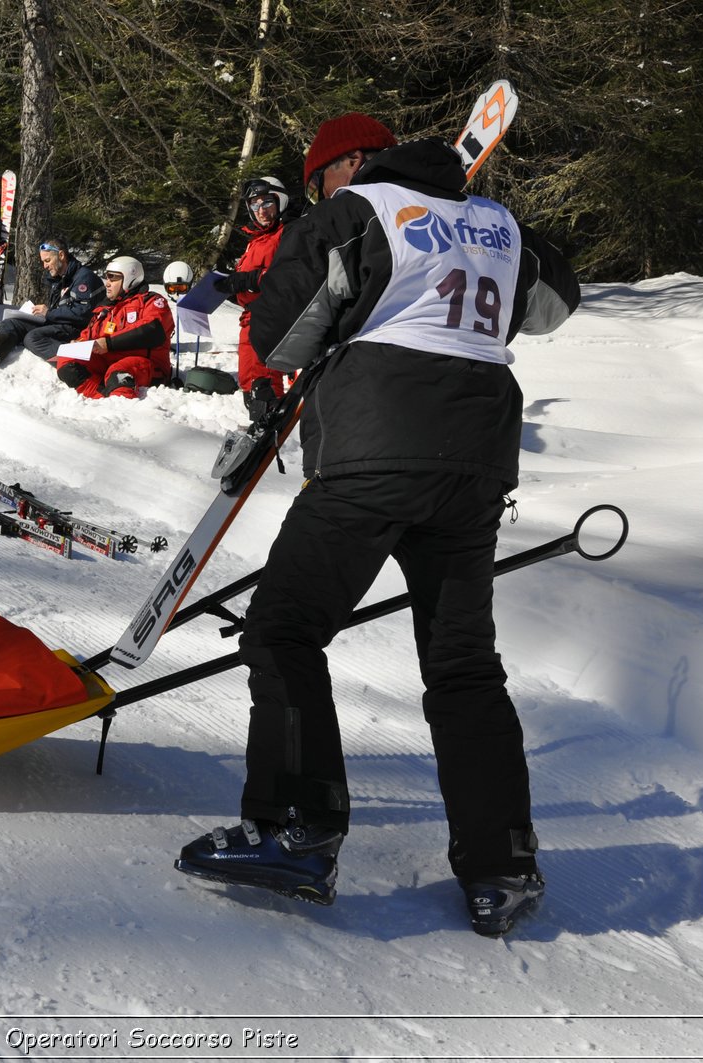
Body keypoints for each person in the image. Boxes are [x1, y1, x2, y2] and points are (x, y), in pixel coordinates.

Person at [173, 113, 580, 937]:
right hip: (476, 463)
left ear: (351, 162)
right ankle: (503, 863)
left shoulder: (356, 212)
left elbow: (282, 338)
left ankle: (297, 828)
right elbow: (553, 306)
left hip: (374, 453)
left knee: (285, 629)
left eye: (321, 174)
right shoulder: (499, 222)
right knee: (463, 666)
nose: (318, 189)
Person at [214, 176, 295, 421]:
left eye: (267, 203)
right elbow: (247, 277)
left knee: (266, 382)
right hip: (249, 319)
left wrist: (247, 280)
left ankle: (274, 431)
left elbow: (290, 275)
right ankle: (259, 427)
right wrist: (230, 285)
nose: (261, 211)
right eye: (254, 205)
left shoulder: (288, 232)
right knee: (249, 384)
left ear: (280, 201)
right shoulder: (256, 241)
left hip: (272, 318)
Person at [0, 236, 103, 367]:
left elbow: (82, 314)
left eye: (47, 260)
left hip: (76, 330)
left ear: (61, 255)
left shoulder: (84, 278)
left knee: (33, 338)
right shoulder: (61, 278)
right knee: (12, 323)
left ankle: (72, 359)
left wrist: (49, 313)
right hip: (59, 324)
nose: (45, 266)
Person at [53, 256, 175, 399]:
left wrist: (109, 343)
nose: (107, 284)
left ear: (130, 278)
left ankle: (122, 407)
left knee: (118, 371)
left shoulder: (151, 301)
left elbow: (153, 330)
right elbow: (89, 334)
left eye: (113, 279)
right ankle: (103, 397)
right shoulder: (105, 308)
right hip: (108, 363)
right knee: (67, 360)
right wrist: (80, 343)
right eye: (107, 278)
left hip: (145, 366)